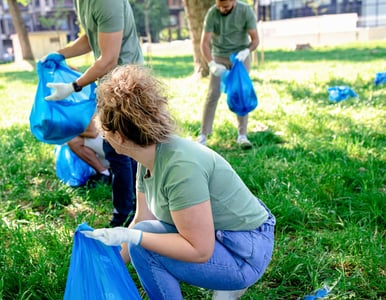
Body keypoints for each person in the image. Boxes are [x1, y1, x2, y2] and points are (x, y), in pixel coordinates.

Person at [82, 65, 275, 300]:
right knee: (142, 235)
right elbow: (143, 219)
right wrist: (108, 266)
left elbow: (200, 250)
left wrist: (133, 238)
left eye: (104, 129)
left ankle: (231, 283)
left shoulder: (180, 167)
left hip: (245, 253)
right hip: (222, 238)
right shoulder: (148, 156)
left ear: (119, 137)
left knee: (143, 243)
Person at [43, 0, 144, 227]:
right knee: (123, 151)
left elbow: (108, 58)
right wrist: (60, 53)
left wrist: (74, 86)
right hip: (110, 84)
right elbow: (92, 37)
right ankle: (137, 211)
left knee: (123, 151)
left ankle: (126, 216)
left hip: (128, 83)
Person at [197, 0, 260, 149]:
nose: (221, 9)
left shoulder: (245, 11)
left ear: (234, 2)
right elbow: (204, 43)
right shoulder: (213, 13)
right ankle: (203, 135)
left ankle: (242, 135)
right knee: (213, 94)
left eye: (225, 6)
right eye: (219, 5)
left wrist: (247, 51)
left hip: (240, 57)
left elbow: (255, 40)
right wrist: (211, 63)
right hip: (219, 56)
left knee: (241, 94)